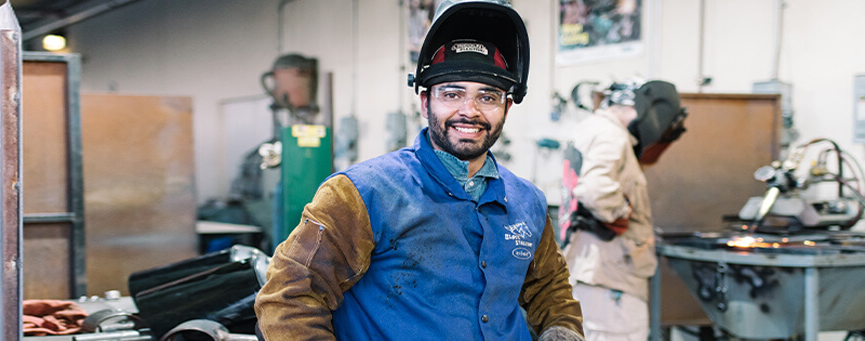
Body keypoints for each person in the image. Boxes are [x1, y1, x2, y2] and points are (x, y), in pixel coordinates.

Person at [255, 1, 584, 340]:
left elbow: (550, 287)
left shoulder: (527, 201)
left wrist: (562, 329)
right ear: (425, 102)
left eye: (488, 97)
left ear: (507, 107)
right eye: (452, 94)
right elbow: (289, 296)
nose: (469, 111)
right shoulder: (362, 194)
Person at [558, 80, 687, 340]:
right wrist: (621, 212)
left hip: (592, 270)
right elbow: (596, 191)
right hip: (610, 277)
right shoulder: (611, 135)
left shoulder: (589, 128)